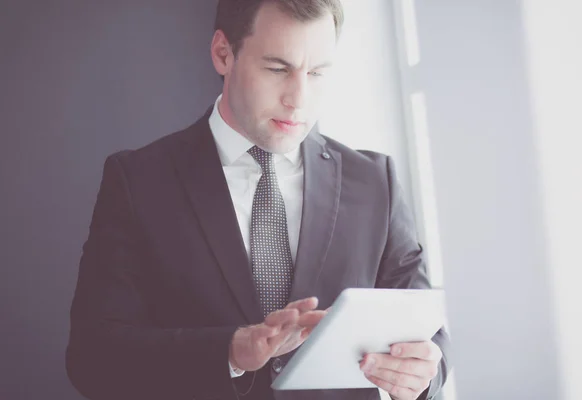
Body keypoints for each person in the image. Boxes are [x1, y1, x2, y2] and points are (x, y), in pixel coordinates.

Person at [65, 0, 451, 399]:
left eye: (317, 73)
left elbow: (430, 334)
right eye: (278, 68)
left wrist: (422, 373)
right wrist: (231, 351)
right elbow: (93, 357)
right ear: (223, 54)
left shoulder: (375, 182)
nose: (299, 99)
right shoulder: (139, 181)